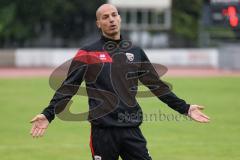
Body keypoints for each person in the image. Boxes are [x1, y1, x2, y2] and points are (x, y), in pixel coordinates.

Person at [30, 4, 210, 160]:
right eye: (105, 17)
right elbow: (69, 87)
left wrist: (185, 108)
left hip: (131, 130)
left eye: (114, 15)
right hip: (103, 133)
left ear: (120, 18)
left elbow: (157, 86)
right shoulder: (87, 53)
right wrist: (49, 114)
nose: (111, 20)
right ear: (98, 23)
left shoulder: (135, 51)